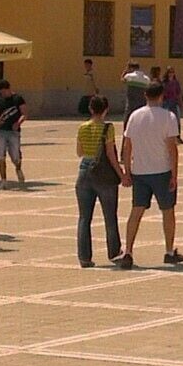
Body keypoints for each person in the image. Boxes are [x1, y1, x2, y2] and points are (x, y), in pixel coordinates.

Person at [121, 78, 183, 266]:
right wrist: (174, 174)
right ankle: (168, 250)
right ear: (162, 96)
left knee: (136, 211)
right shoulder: (168, 117)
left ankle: (128, 251)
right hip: (162, 171)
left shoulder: (134, 116)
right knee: (167, 211)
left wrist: (127, 170)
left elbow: (127, 146)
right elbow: (172, 148)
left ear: (145, 95)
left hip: (140, 171)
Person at [75, 95, 124, 267]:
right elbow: (110, 154)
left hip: (83, 171)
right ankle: (114, 252)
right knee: (110, 216)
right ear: (106, 109)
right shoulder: (108, 128)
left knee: (84, 217)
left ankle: (84, 257)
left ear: (90, 109)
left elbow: (79, 152)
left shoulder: (82, 127)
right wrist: (122, 174)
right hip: (103, 174)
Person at [0, 78, 27, 185]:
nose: (3, 94)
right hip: (1, 131)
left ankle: (18, 168)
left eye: (4, 91)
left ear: (8, 89)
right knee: (0, 156)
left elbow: (24, 114)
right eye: (1, 92)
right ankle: (3, 180)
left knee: (15, 155)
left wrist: (18, 123)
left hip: (14, 132)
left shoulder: (18, 99)